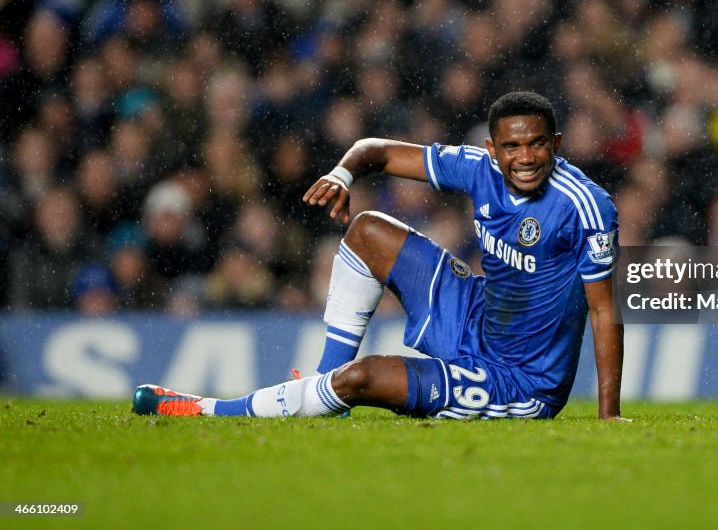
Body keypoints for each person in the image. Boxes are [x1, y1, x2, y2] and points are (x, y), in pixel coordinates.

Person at [133, 92, 626, 420]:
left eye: (538, 144)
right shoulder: (478, 168)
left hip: (518, 379)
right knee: (366, 229)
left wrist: (608, 416)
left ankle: (207, 410)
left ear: (556, 144)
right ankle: (326, 388)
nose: (525, 157)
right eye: (513, 146)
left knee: (365, 377)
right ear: (492, 150)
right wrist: (343, 175)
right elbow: (377, 150)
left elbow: (605, 311)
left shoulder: (585, 205)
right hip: (473, 314)